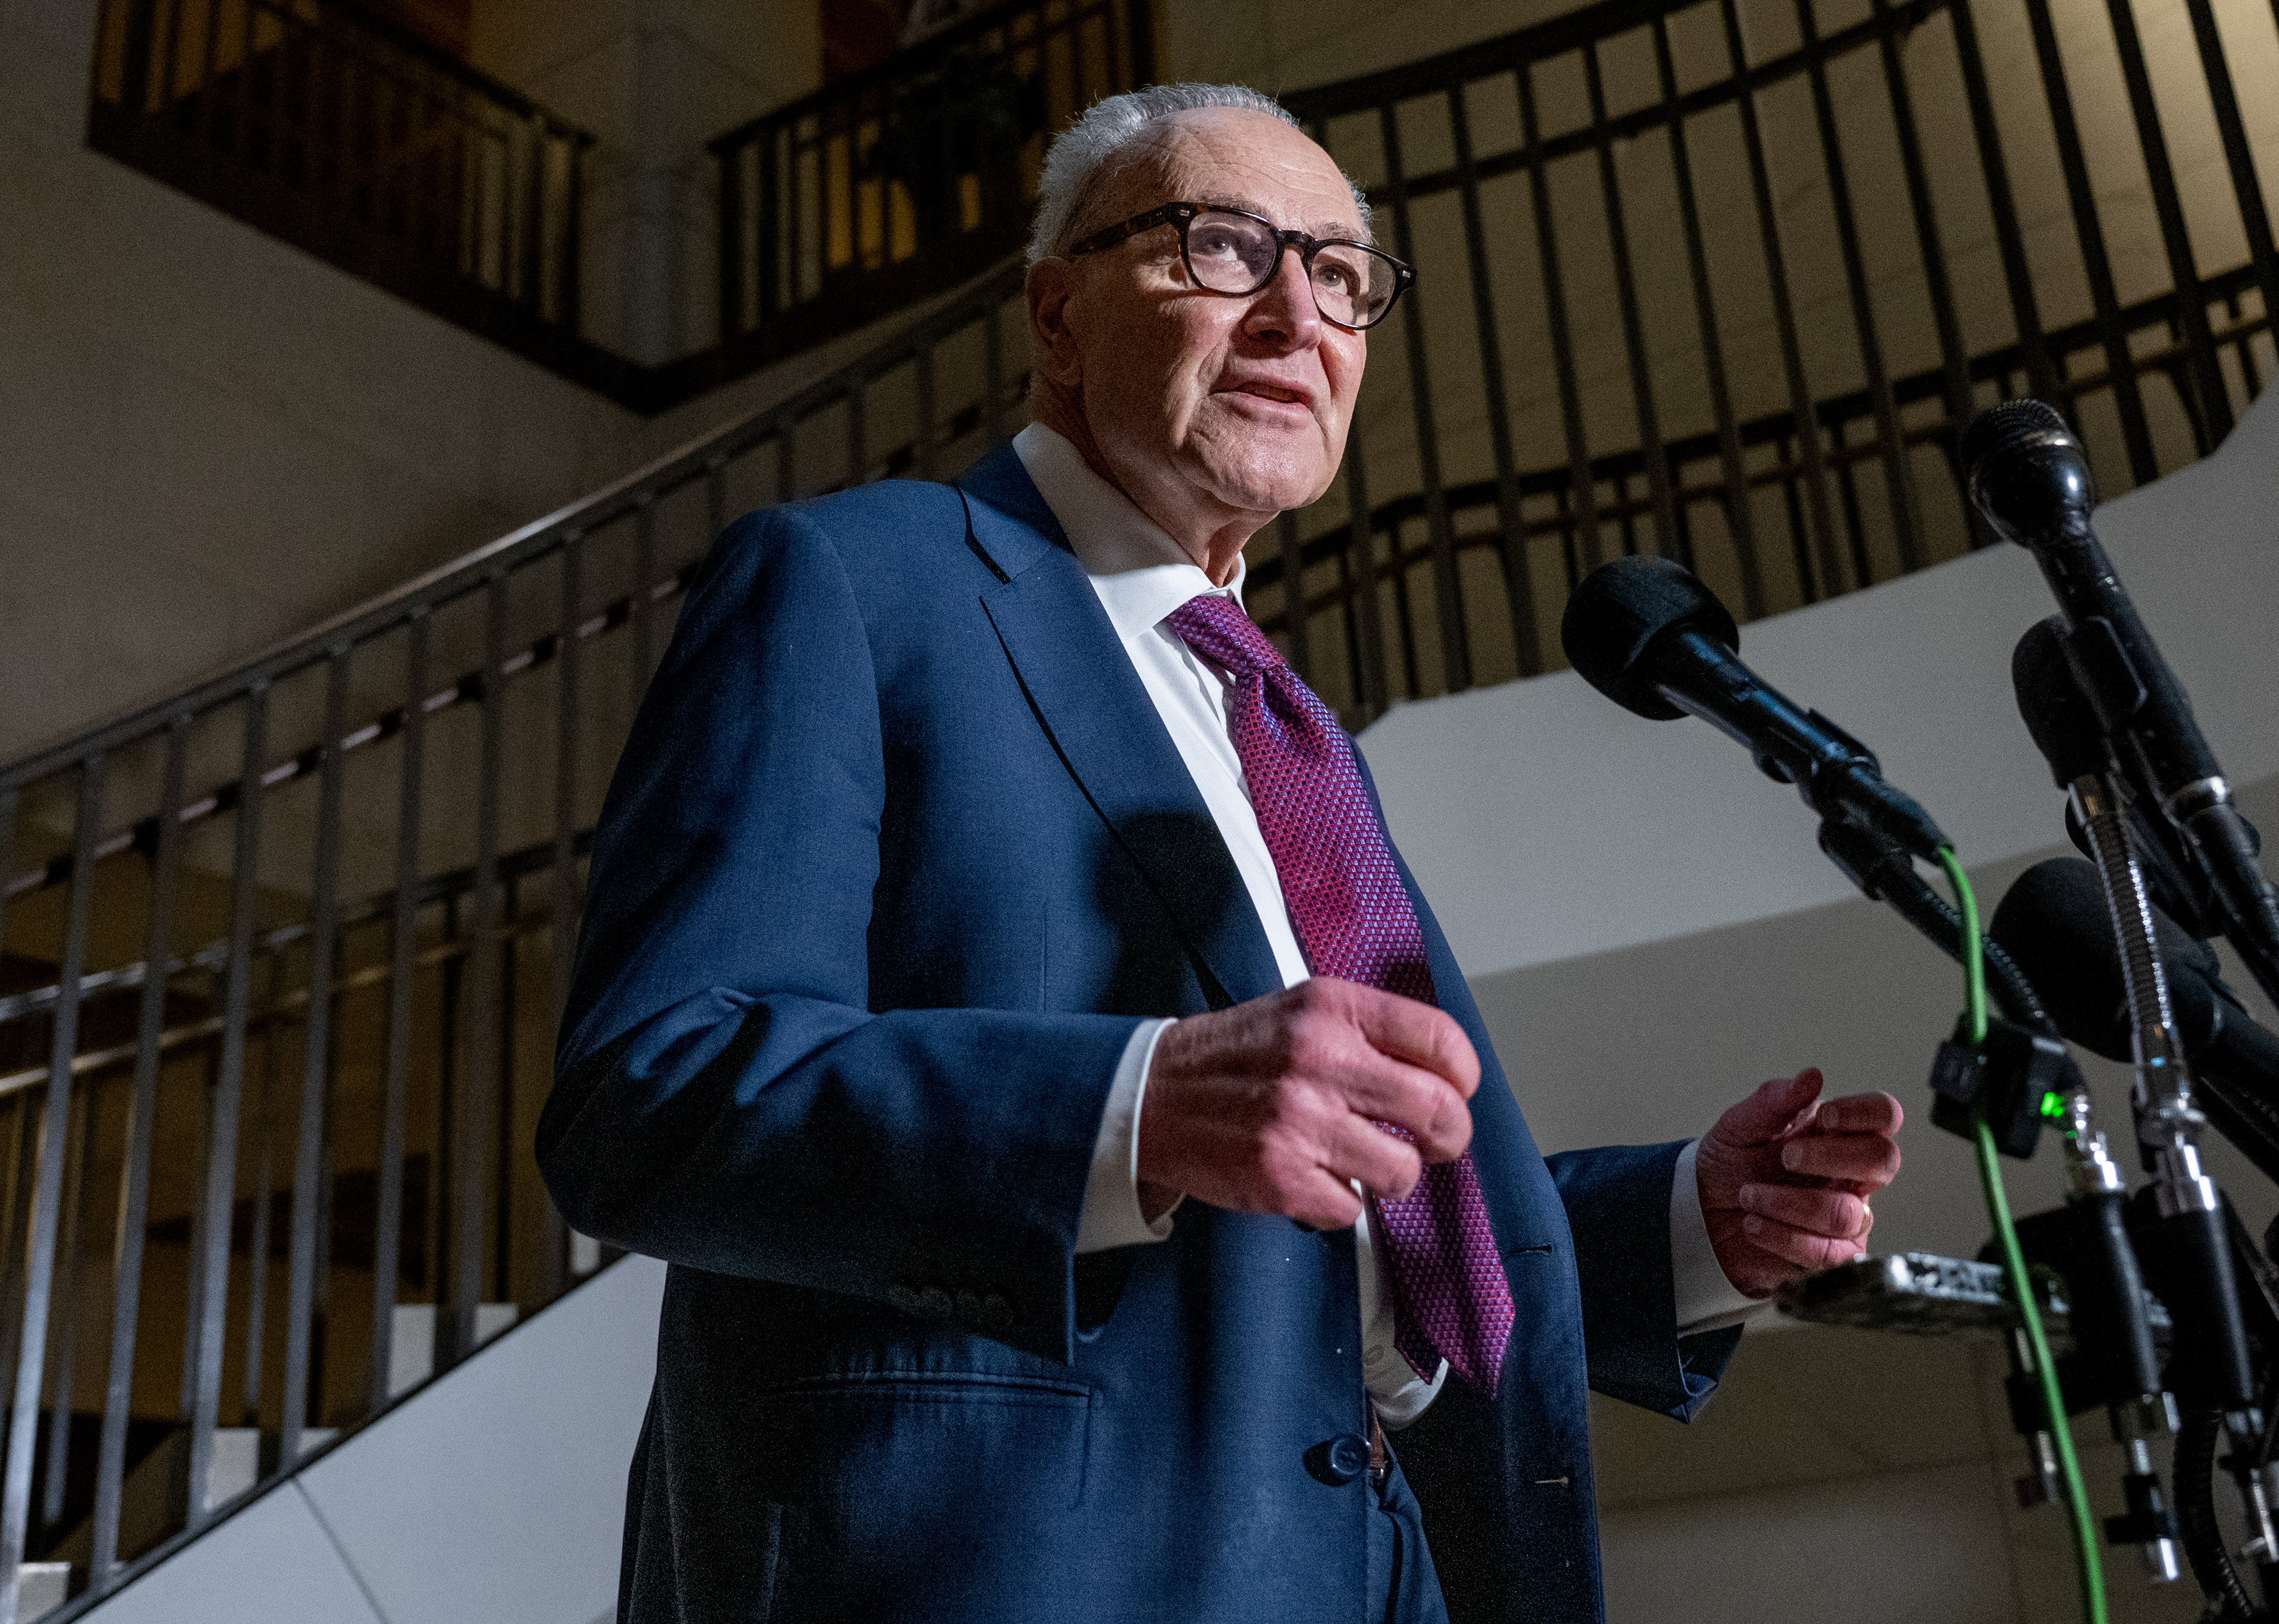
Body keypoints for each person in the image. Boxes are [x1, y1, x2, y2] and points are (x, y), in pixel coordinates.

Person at [541, 82, 1904, 1624]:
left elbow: (1352, 1246)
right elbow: (645, 1097)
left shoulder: (1286, 729)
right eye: (1218, 247)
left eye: (1338, 274)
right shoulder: (857, 583)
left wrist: (1677, 1227)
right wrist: (1132, 1103)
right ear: (1055, 315)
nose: (1294, 315)